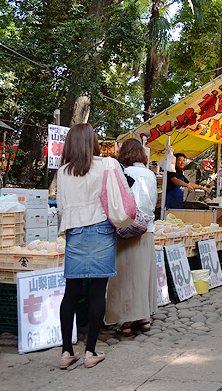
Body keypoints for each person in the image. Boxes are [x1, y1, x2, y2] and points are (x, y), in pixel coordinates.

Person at [57, 124, 121, 369]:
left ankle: (66, 352)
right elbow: (118, 197)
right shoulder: (107, 165)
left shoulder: (63, 171)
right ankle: (90, 351)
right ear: (92, 142)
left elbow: (61, 207)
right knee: (97, 293)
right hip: (102, 229)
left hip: (75, 232)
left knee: (71, 292)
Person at [105, 138, 158, 336]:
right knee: (143, 276)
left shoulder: (121, 172)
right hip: (146, 230)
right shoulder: (151, 175)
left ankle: (126, 321)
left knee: (125, 277)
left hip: (125, 230)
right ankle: (144, 318)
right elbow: (152, 203)